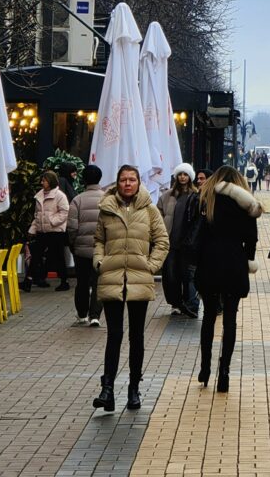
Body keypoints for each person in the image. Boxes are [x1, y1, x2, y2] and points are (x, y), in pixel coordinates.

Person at [92, 165, 169, 412]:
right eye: (124, 180)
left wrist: (151, 265)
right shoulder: (106, 208)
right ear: (117, 182)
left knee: (137, 336)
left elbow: (162, 241)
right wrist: (99, 261)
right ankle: (107, 389)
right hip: (112, 276)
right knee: (114, 335)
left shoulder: (149, 209)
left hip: (139, 277)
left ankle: (134, 388)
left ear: (138, 182)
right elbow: (99, 241)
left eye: (132, 179)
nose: (128, 184)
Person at [195, 165, 261, 393]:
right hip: (234, 262)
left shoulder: (207, 199)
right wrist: (248, 259)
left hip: (209, 262)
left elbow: (199, 234)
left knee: (209, 317)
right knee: (230, 319)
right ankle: (225, 371)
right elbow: (251, 238)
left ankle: (205, 368)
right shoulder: (244, 204)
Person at [159, 163, 199, 316]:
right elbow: (158, 215)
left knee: (187, 275)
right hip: (170, 242)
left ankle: (189, 304)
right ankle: (175, 303)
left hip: (187, 243)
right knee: (170, 274)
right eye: (180, 174)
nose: (183, 177)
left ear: (190, 177)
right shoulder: (167, 196)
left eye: (185, 174)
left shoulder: (195, 196)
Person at [67, 164, 104, 326]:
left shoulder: (77, 200)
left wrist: (73, 243)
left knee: (82, 282)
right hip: (102, 249)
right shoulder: (107, 199)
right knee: (99, 282)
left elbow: (72, 227)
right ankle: (95, 315)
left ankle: (82, 314)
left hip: (81, 250)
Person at [29, 170, 71, 291]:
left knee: (58, 257)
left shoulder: (59, 195)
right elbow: (37, 214)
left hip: (55, 231)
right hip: (42, 230)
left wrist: (52, 221)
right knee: (36, 255)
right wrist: (33, 229)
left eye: (44, 180)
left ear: (50, 181)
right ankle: (30, 279)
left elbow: (65, 212)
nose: (42, 183)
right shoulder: (39, 195)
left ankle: (64, 281)